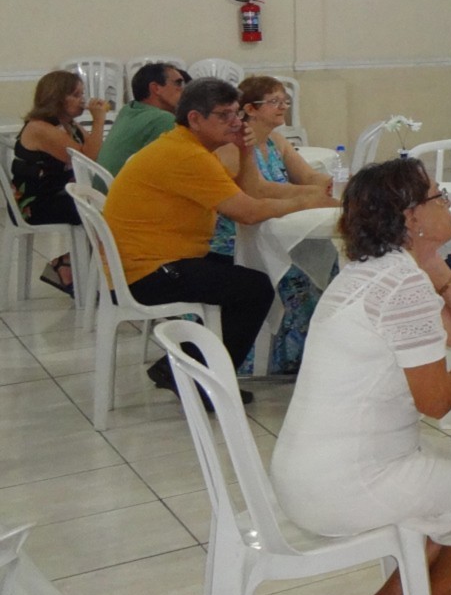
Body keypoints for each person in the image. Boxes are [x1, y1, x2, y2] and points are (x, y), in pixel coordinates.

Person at [270, 158, 451, 595]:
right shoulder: (401, 289)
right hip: (345, 483)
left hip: (313, 470)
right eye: (438, 196)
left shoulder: (380, 272)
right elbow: (439, 400)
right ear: (410, 217)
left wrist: (438, 269)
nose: (448, 203)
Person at [103, 78, 333, 401]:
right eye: (224, 115)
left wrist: (245, 150)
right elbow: (248, 212)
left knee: (248, 267)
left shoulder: (189, 146)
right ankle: (207, 383)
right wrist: (306, 202)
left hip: (159, 257)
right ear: (195, 118)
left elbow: (250, 190)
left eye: (236, 113)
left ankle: (179, 365)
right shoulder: (187, 156)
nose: (236, 122)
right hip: (147, 272)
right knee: (255, 289)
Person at [208, 75, 333, 374]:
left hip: (275, 227)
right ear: (249, 109)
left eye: (284, 101)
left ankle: (320, 353)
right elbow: (258, 191)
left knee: (331, 266)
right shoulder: (232, 147)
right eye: (274, 101)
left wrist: (331, 184)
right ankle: (281, 359)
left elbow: (307, 176)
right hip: (237, 239)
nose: (283, 107)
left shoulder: (276, 140)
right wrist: (309, 196)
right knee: (300, 278)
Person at [11, 71, 108, 294]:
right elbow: (88, 159)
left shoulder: (69, 125)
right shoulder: (40, 128)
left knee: (112, 206)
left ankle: (77, 266)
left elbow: (97, 153)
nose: (82, 100)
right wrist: (99, 121)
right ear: (56, 97)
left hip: (60, 194)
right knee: (104, 211)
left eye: (82, 94)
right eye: (75, 95)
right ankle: (71, 265)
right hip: (37, 203)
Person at [98, 62, 185, 174]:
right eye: (178, 83)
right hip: (123, 184)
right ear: (156, 88)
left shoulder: (128, 109)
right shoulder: (163, 119)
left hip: (104, 182)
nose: (183, 90)